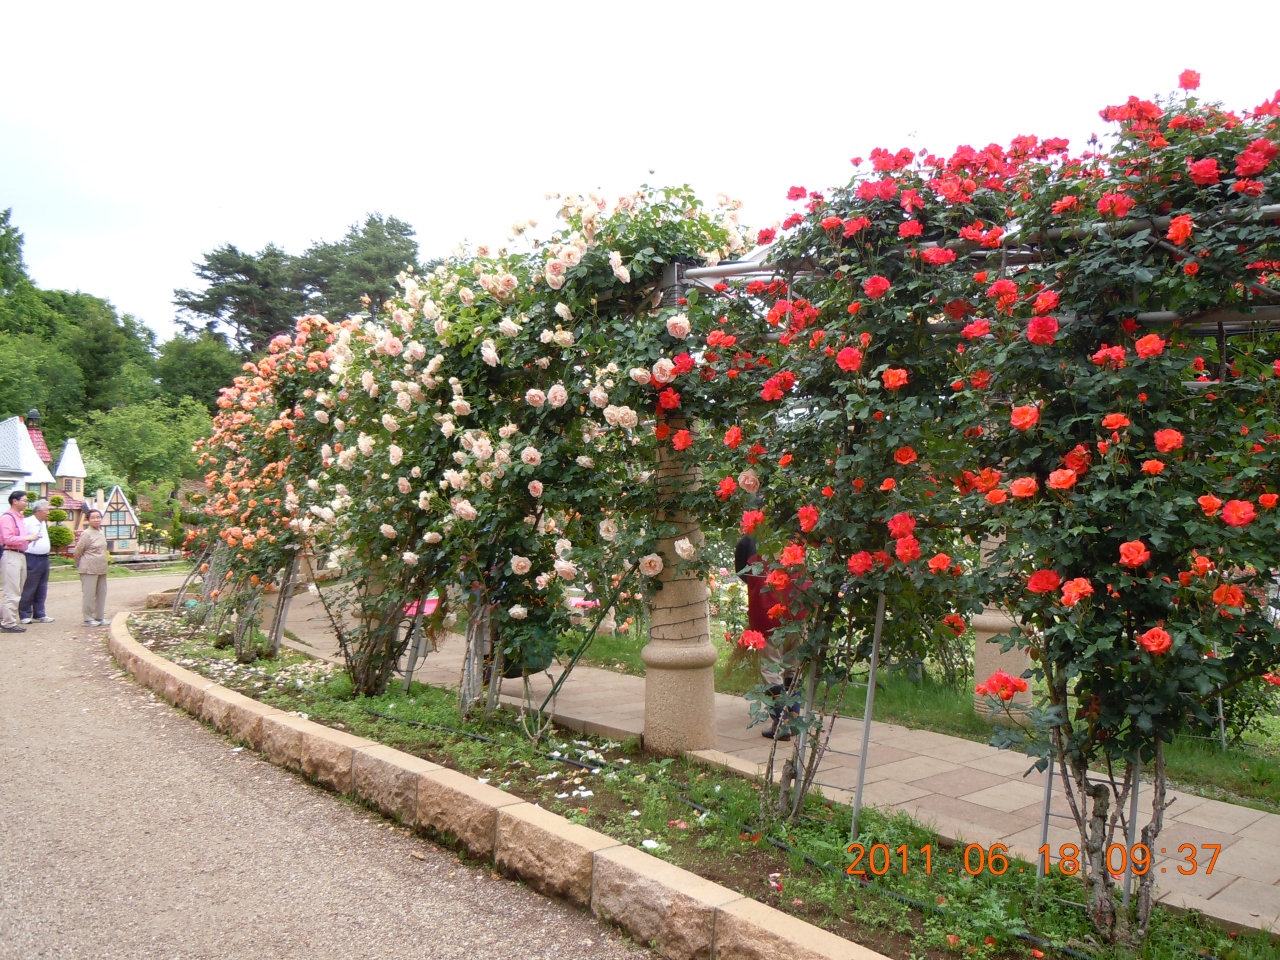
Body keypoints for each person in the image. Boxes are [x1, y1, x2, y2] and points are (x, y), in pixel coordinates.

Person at [736, 535, 803, 740]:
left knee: (770, 666)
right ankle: (792, 719)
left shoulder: (748, 540)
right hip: (798, 609)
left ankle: (780, 722)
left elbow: (743, 571)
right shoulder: (795, 535)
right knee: (793, 665)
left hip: (768, 610)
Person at [1, 489, 39, 633]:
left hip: (21, 554)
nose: (26, 503)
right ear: (14, 501)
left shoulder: (20, 518)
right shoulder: (7, 517)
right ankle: (8, 623)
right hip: (11, 554)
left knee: (18, 589)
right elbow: (8, 538)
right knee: (12, 590)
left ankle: (4, 617)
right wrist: (28, 538)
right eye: (24, 500)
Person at [19, 498, 54, 623]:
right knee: (30, 586)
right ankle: (25, 613)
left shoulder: (43, 523)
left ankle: (40, 613)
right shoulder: (27, 522)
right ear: (38, 511)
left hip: (44, 558)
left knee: (42, 586)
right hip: (32, 558)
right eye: (47, 510)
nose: (48, 512)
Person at [73, 509, 108, 626]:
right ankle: (88, 618)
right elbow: (78, 551)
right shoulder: (86, 534)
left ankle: (99, 617)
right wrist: (80, 564)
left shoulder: (101, 532)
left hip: (102, 569)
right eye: (93, 517)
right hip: (88, 569)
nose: (96, 519)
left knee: (101, 594)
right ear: (88, 520)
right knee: (89, 594)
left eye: (98, 517)